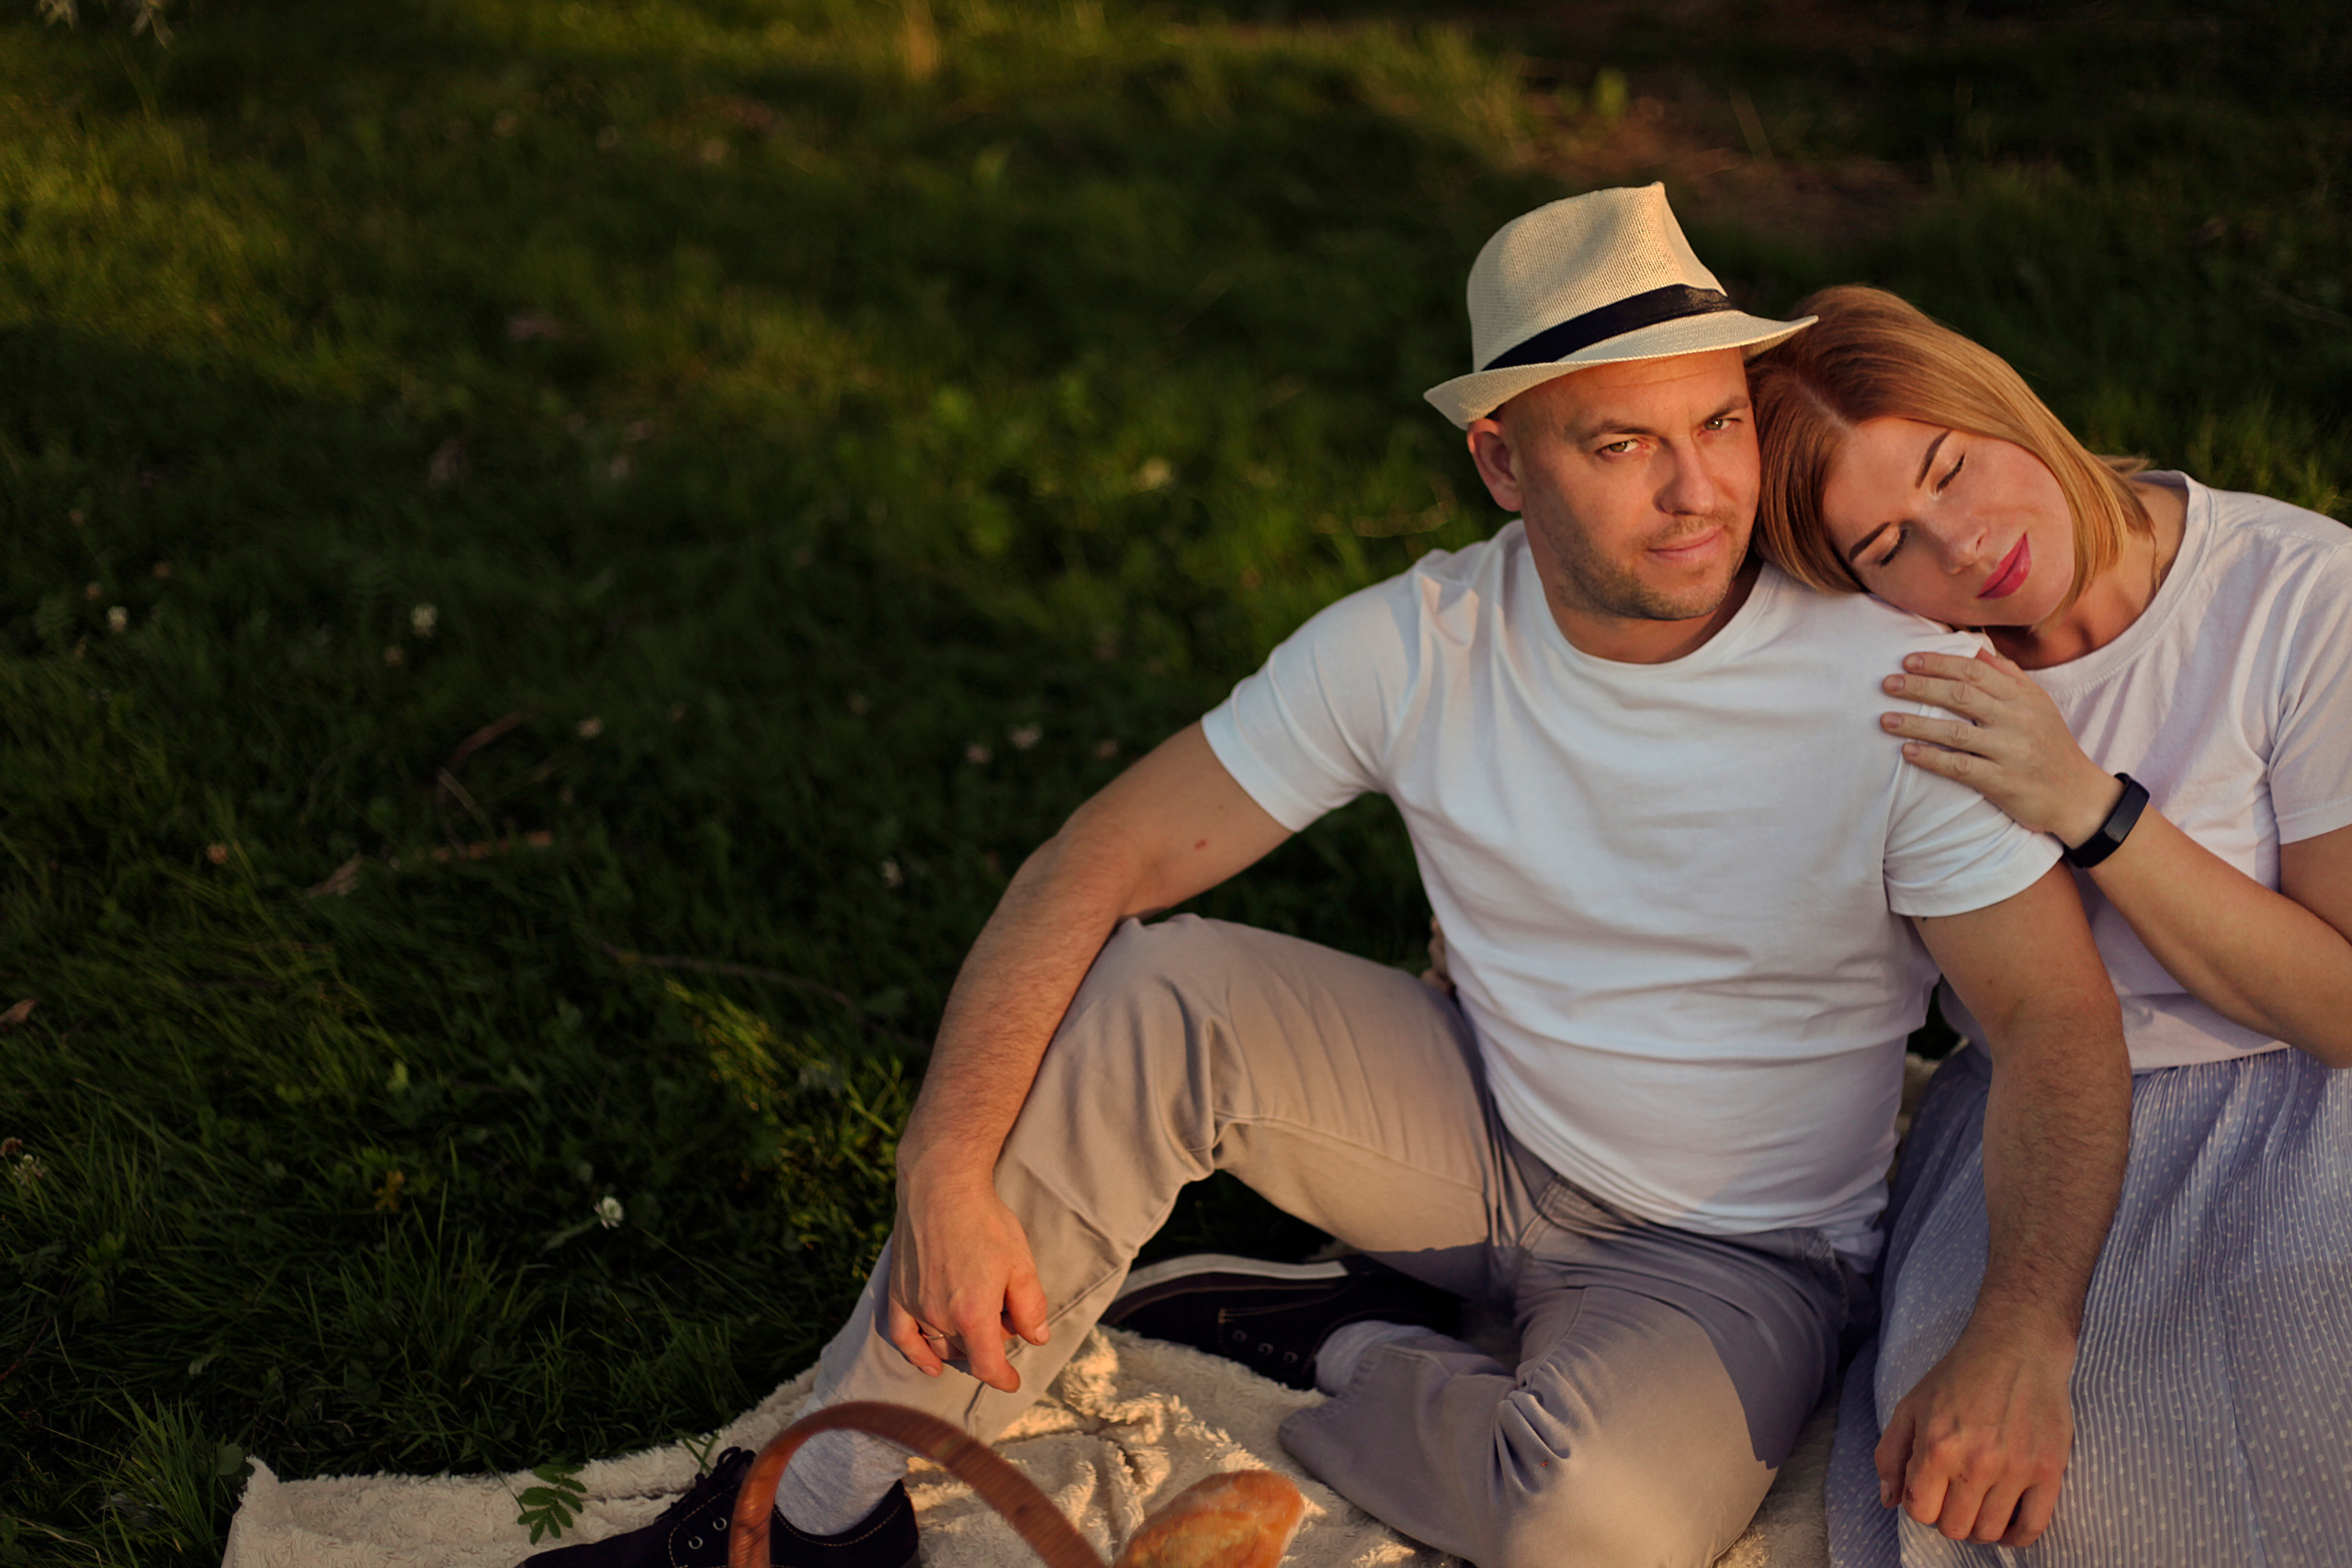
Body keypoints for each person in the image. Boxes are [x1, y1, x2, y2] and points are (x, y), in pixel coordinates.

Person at [526, 187, 2131, 1568]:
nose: (1698, 490)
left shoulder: (1890, 688)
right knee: (1162, 992)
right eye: (1624, 443)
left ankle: (1328, 1336)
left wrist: (2025, 1330)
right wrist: (942, 1171)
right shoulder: (1415, 644)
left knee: (1595, 1525)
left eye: (1720, 424)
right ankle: (823, 1508)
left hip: (1738, 1252)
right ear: (1506, 463)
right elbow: (1097, 857)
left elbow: (2055, 1027)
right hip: (1476, 1127)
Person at [1746, 284, 2352, 1567]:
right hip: (2046, 1124)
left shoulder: (2301, 600)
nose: (1960, 548)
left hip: (2308, 1106)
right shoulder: (1903, 668)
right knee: (2002, 1493)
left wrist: (2089, 808)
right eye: (1886, 546)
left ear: (1997, 397)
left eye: (1951, 468)